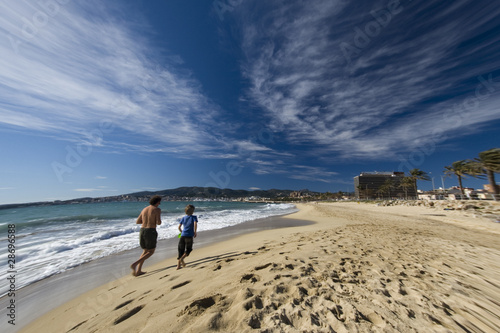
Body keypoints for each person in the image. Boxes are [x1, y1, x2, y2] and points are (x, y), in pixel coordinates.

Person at [130, 195, 162, 276]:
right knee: (151, 251)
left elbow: (138, 221)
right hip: (150, 231)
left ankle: (138, 271)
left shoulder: (144, 209)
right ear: (157, 202)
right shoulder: (157, 209)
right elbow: (158, 222)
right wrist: (153, 222)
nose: (159, 204)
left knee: (145, 251)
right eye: (159, 202)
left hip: (142, 230)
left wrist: (146, 222)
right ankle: (134, 264)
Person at [177, 204, 198, 270]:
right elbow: (195, 224)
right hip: (189, 235)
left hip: (183, 235)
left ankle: (178, 266)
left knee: (181, 250)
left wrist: (181, 232)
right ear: (192, 211)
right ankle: (182, 259)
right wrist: (195, 231)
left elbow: (179, 227)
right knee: (189, 249)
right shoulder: (194, 217)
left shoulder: (183, 218)